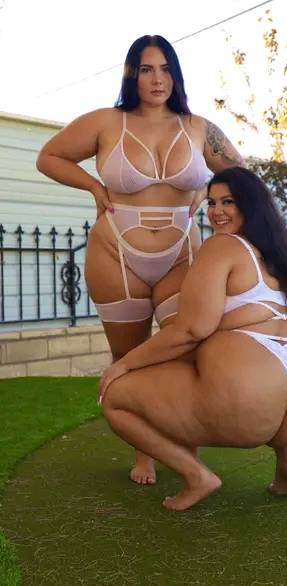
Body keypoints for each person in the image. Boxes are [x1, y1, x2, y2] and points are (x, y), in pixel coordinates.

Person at [36, 35, 243, 485]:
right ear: (132, 74)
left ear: (176, 75)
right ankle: (145, 451)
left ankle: (185, 445)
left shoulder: (198, 127)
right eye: (147, 69)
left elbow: (241, 175)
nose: (157, 79)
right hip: (115, 253)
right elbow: (48, 157)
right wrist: (94, 187)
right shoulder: (106, 121)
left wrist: (207, 191)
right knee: (129, 358)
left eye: (166, 69)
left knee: (187, 350)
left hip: (181, 255)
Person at [98, 166, 287, 511]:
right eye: (211, 202)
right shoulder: (278, 255)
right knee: (221, 369)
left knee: (114, 398)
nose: (216, 211)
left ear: (251, 205)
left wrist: (123, 365)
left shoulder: (222, 246)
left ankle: (196, 475)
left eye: (228, 201)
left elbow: (191, 330)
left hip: (251, 386)